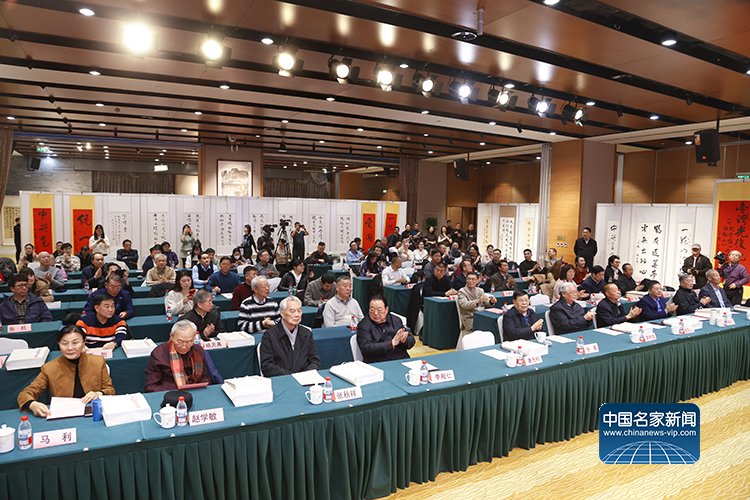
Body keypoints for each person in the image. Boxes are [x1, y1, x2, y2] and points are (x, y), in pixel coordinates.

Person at [18, 325, 114, 416]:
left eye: (75, 343)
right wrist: (32, 404)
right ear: (59, 345)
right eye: (65, 343)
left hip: (93, 411)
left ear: (84, 343)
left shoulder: (98, 362)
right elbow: (26, 393)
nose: (70, 348)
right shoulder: (49, 368)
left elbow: (110, 390)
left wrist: (99, 394)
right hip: (64, 414)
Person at [144, 320, 211, 393]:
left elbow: (205, 377)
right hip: (170, 393)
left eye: (189, 341)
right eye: (180, 341)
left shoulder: (198, 351)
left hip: (196, 391)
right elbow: (151, 386)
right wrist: (173, 392)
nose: (184, 346)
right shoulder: (159, 354)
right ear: (172, 337)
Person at [260, 296, 320, 376]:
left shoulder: (306, 333)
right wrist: (292, 376)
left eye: (299, 311)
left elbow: (314, 360)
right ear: (282, 313)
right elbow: (267, 367)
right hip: (283, 379)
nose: (297, 315)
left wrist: (305, 374)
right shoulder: (270, 335)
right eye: (292, 311)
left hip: (304, 378)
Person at [357, 295, 415, 364]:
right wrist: (391, 343)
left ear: (386, 309)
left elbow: (411, 339)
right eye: (372, 310)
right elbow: (366, 348)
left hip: (401, 359)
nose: (375, 313)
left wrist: (404, 340)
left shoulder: (395, 320)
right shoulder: (364, 325)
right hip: (379, 363)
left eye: (379, 310)